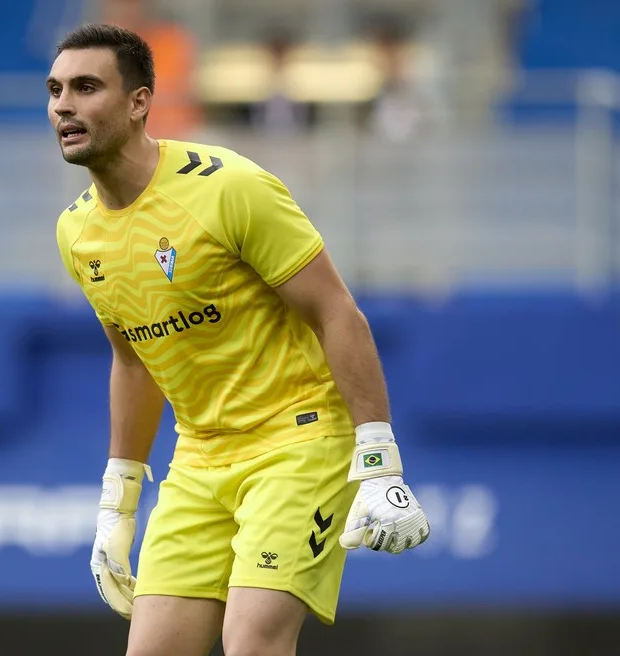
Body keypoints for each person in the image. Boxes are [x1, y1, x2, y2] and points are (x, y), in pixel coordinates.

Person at [49, 23, 429, 656]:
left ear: (140, 101)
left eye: (88, 87)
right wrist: (117, 506)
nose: (65, 105)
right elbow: (134, 362)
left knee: (252, 643)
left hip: (298, 439)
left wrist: (379, 461)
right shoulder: (76, 233)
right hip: (198, 458)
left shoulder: (227, 186)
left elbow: (339, 314)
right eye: (56, 89)